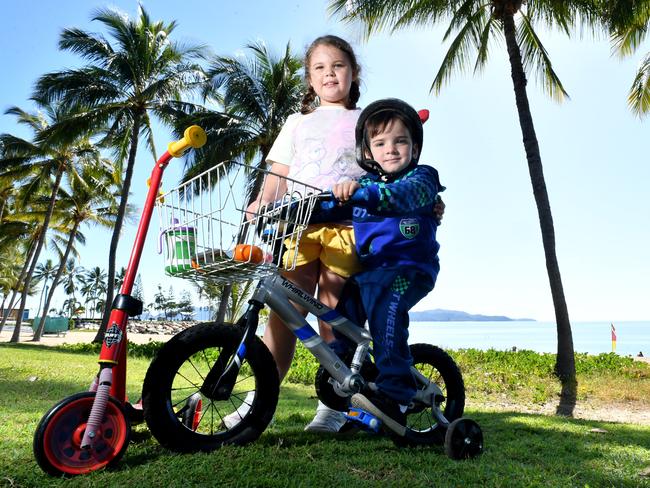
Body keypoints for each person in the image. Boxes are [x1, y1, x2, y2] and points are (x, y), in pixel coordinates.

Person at [223, 35, 366, 432]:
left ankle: (333, 406)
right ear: (309, 78)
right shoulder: (296, 122)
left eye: (337, 65)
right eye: (319, 68)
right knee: (283, 316)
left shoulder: (366, 120)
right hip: (296, 226)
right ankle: (257, 400)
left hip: (345, 225)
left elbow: (388, 161)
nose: (329, 74)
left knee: (333, 313)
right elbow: (278, 176)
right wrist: (260, 202)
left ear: (353, 73)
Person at [329, 98, 445, 436]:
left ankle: (395, 397)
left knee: (386, 317)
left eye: (400, 141)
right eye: (380, 143)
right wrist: (292, 211)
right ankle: (359, 387)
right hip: (370, 272)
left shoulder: (423, 178)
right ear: (368, 150)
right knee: (342, 315)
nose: (390, 149)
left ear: (415, 146)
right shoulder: (362, 185)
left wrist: (362, 195)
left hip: (409, 268)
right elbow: (331, 206)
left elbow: (404, 196)